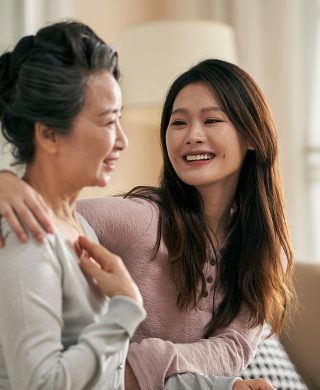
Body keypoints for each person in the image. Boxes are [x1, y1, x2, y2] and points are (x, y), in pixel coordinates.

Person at [0, 54, 286, 390]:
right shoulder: (140, 220)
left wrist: (141, 371)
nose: (192, 135)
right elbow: (52, 216)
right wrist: (7, 182)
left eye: (212, 121)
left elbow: (234, 348)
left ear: (252, 137)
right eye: (178, 123)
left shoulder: (266, 248)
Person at [0, 20, 146, 390]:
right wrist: (125, 308)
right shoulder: (26, 236)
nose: (123, 140)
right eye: (109, 121)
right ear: (49, 133)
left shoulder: (80, 224)